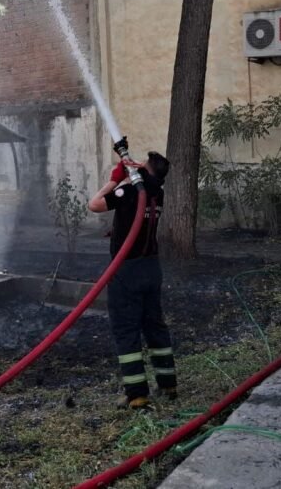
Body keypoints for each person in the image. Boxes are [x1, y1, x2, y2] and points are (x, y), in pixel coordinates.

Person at [89, 151, 175, 409]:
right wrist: (138, 170)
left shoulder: (128, 193)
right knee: (155, 326)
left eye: (143, 165)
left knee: (126, 330)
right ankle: (168, 384)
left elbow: (95, 204)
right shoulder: (157, 193)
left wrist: (115, 179)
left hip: (127, 271)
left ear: (146, 172)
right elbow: (148, 182)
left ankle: (136, 394)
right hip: (151, 268)